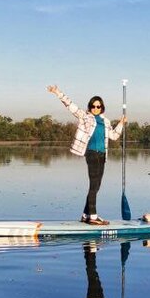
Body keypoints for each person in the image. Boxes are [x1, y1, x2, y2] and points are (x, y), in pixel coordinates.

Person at [47, 84, 126, 224]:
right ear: (90, 107)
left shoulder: (106, 122)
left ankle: (85, 215)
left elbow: (114, 136)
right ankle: (93, 217)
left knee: (96, 186)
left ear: (102, 108)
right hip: (91, 154)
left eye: (98, 106)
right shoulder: (85, 117)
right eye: (93, 106)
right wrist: (57, 92)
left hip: (102, 155)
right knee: (94, 185)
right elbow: (70, 105)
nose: (96, 109)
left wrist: (120, 123)